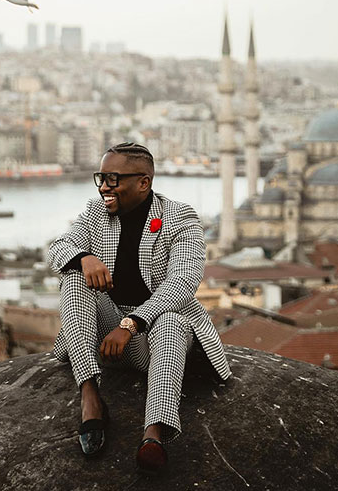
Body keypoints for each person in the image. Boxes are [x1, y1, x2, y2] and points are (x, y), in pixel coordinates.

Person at [48, 142, 231, 472]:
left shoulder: (180, 218)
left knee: (172, 320)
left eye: (113, 178)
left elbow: (183, 282)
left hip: (152, 340)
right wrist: (84, 257)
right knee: (74, 279)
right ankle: (91, 399)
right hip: (106, 337)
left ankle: (154, 432)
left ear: (143, 182)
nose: (104, 186)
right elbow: (59, 247)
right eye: (101, 177)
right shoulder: (95, 212)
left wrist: (132, 322)